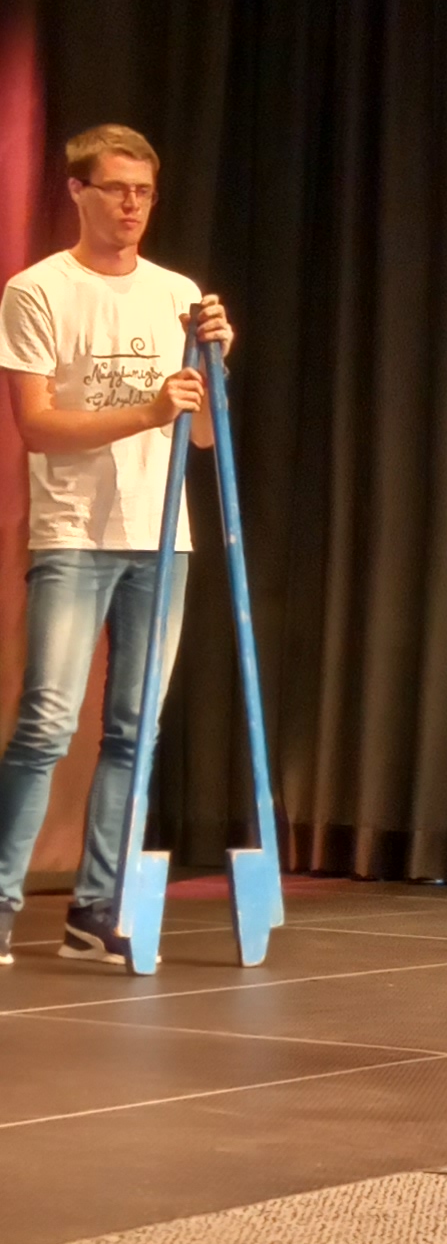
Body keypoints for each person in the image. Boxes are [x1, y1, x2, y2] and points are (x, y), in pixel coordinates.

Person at [0, 124, 233, 968]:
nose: (132, 205)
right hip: (74, 531)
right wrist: (146, 410)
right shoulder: (38, 290)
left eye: (144, 192)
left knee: (136, 730)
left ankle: (95, 910)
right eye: (116, 189)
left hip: (162, 536)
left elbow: (202, 435)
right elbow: (36, 426)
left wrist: (216, 364)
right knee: (47, 723)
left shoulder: (179, 293)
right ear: (78, 191)